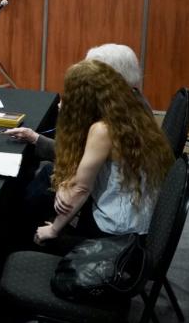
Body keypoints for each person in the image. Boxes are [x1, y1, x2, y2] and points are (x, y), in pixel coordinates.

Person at [31, 60, 173, 246]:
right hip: (137, 219)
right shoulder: (129, 110)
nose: (63, 101)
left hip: (114, 234)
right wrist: (66, 183)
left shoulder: (103, 130)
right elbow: (85, 162)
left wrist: (53, 229)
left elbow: (82, 189)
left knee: (34, 215)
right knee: (47, 179)